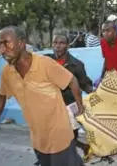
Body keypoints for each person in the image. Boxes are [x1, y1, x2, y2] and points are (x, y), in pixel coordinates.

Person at [0, 26, 84, 166]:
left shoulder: (45, 64)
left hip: (59, 136)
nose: (2, 51)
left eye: (6, 44)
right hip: (38, 140)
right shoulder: (7, 72)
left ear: (21, 43)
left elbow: (72, 80)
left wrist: (80, 106)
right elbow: (1, 97)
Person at [34, 31, 92, 164]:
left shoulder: (76, 65)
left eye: (61, 43)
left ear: (68, 45)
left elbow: (85, 85)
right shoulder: (45, 61)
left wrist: (97, 95)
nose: (58, 46)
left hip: (69, 107)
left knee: (69, 139)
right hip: (50, 108)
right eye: (55, 42)